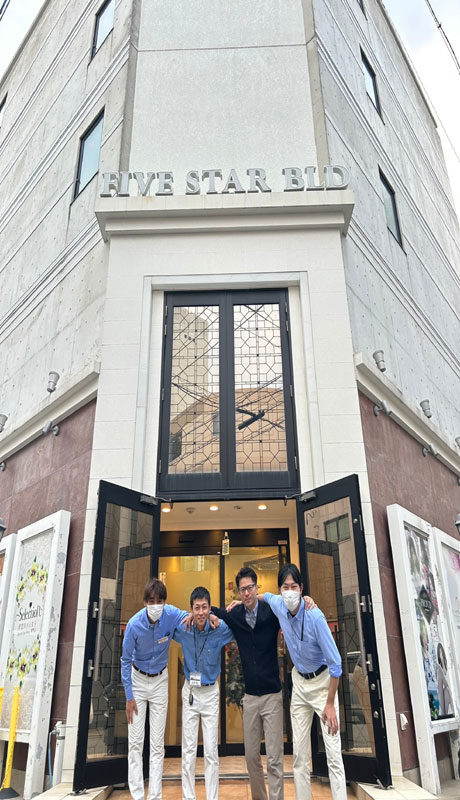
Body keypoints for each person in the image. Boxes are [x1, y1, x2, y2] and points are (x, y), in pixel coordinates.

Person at [213, 567, 314, 800]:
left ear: (256, 588)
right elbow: (214, 610)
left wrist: (307, 599)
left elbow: (292, 605)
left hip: (272, 697)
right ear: (238, 593)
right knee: (251, 757)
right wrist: (204, 614)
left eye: (250, 588)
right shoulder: (236, 615)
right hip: (250, 698)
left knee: (275, 758)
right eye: (242, 590)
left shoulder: (271, 611)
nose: (247, 593)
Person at [121, 577, 217, 800]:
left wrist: (211, 614)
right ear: (145, 602)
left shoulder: (171, 614)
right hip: (137, 681)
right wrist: (129, 695)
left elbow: (195, 614)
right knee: (135, 743)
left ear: (164, 602)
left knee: (157, 744)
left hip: (160, 682)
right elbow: (125, 660)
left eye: (159, 601)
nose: (156, 605)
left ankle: (155, 796)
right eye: (151, 601)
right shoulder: (134, 625)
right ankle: (137, 795)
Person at [262, 564, 346, 800]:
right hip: (299, 684)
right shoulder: (278, 604)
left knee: (333, 754)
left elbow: (336, 664)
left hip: (323, 685)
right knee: (299, 756)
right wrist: (241, 601)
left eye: (294, 587)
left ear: (301, 588)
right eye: (285, 587)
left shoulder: (315, 617)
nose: (289, 592)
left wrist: (330, 704)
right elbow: (263, 596)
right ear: (280, 590)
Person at [173, 586, 233, 800]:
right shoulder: (183, 627)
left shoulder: (219, 628)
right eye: (196, 608)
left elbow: (238, 624)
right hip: (190, 691)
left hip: (210, 693)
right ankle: (188, 797)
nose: (200, 612)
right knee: (188, 750)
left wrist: (216, 615)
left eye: (204, 607)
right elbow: (166, 620)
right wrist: (186, 615)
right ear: (191, 609)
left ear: (209, 608)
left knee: (210, 751)